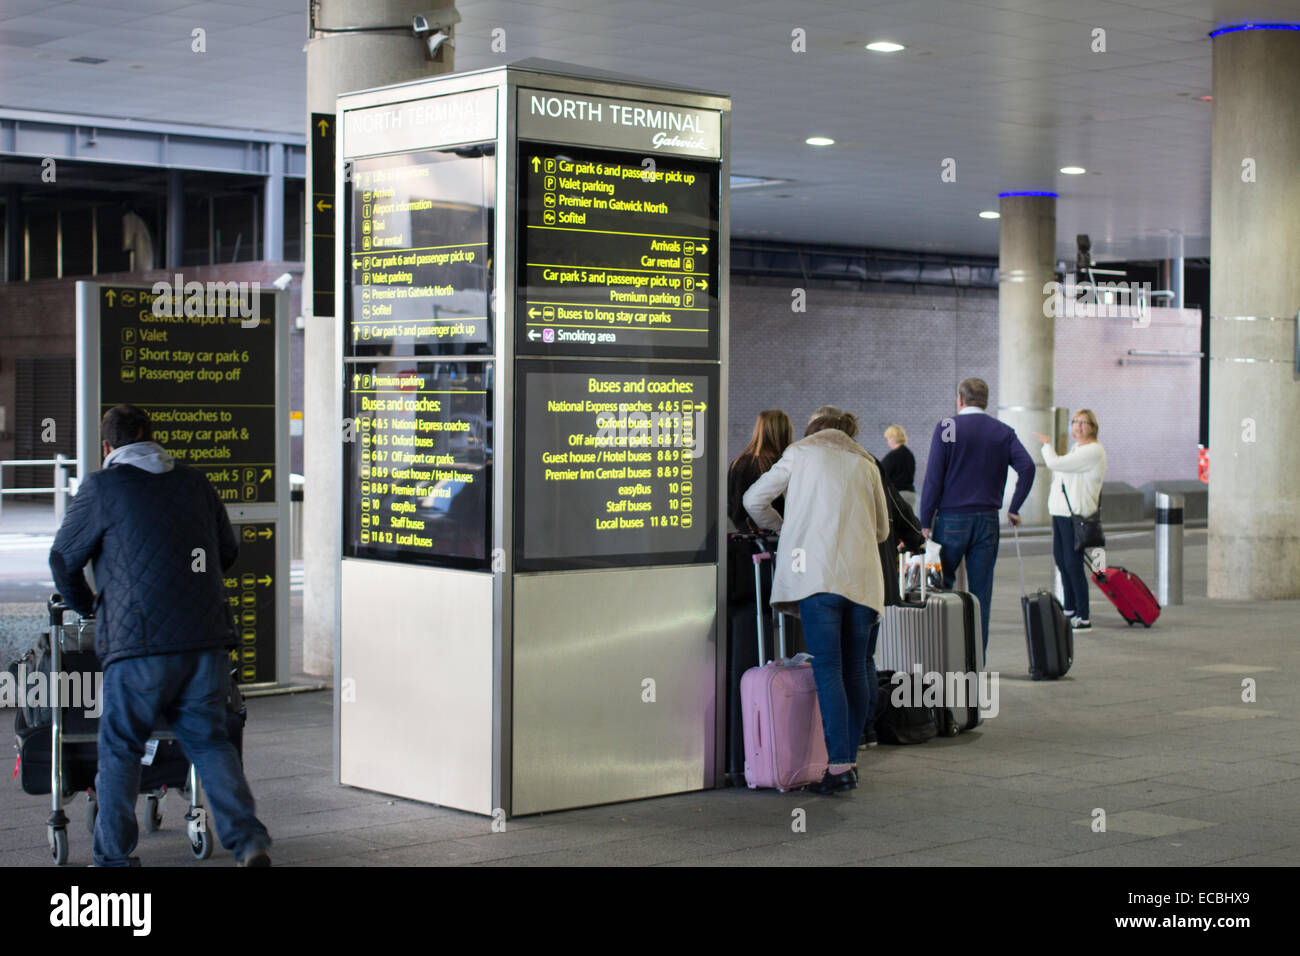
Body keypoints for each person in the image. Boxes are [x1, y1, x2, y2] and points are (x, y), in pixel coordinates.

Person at [48, 404, 272, 867]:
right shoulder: (194, 481)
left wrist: (89, 607)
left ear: (107, 447)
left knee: (120, 748)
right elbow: (225, 550)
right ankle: (247, 840)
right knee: (210, 742)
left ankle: (113, 858)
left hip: (138, 647)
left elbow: (63, 560)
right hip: (205, 641)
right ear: (152, 436)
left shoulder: (101, 487)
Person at [744, 407, 890, 794]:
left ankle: (839, 766)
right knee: (856, 669)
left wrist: (787, 527)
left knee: (828, 667)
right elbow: (882, 529)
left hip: (816, 576)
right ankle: (848, 761)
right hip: (862, 579)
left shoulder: (800, 453)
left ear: (814, 430)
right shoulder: (867, 464)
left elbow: (753, 500)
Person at [919, 378, 1036, 653]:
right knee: (981, 593)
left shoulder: (948, 427)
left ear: (960, 399)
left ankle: (944, 654)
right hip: (987, 521)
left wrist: (925, 520)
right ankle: (976, 659)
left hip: (951, 520)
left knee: (940, 590)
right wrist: (1014, 507)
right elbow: (1028, 467)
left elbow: (934, 478)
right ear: (985, 400)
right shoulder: (1002, 431)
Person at [1035, 409, 1106, 633]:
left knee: (1073, 564)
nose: (1078, 426)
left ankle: (1083, 616)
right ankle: (1069, 609)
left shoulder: (1093, 451)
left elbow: (1056, 464)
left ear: (1093, 427)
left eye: (1084, 422)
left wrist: (1046, 445)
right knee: (1062, 561)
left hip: (1074, 515)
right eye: (1075, 422)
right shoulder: (1078, 449)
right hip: (1062, 513)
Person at [727, 409, 793, 532]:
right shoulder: (784, 466)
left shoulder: (739, 463)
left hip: (742, 536)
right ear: (786, 432)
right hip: (775, 538)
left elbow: (731, 504)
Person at [880, 425, 917, 511]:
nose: (888, 442)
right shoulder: (909, 454)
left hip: (897, 495)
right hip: (910, 495)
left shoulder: (892, 456)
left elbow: (881, 474)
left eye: (889, 438)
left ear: (894, 438)